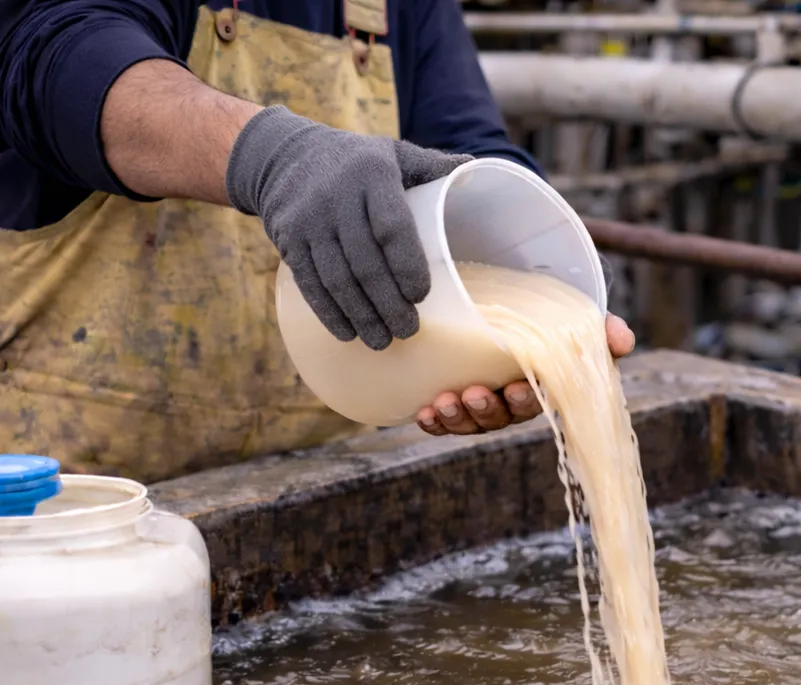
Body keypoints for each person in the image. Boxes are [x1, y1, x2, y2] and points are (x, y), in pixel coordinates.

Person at [0, 0, 634, 483]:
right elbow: (58, 62)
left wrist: (539, 289)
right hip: (69, 510)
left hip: (313, 484)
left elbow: (468, 156)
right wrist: (267, 156)